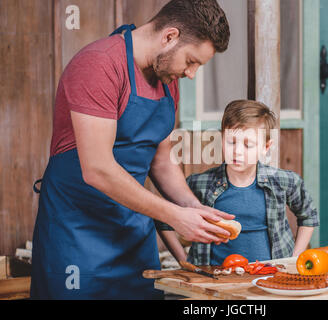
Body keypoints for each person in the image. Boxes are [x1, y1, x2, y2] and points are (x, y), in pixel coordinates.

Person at [31, 0, 233, 300]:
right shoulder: (98, 65)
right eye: (191, 61)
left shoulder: (167, 80)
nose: (191, 74)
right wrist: (175, 216)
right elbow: (97, 168)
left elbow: (162, 162)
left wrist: (194, 209)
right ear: (169, 37)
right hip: (77, 234)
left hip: (133, 238)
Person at [158, 100, 320, 266]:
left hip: (271, 278)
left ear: (266, 147)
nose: (237, 151)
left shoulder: (285, 181)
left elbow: (309, 216)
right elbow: (163, 219)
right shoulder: (198, 184)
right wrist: (184, 261)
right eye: (231, 142)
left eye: (248, 145)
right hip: (213, 282)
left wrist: (294, 258)